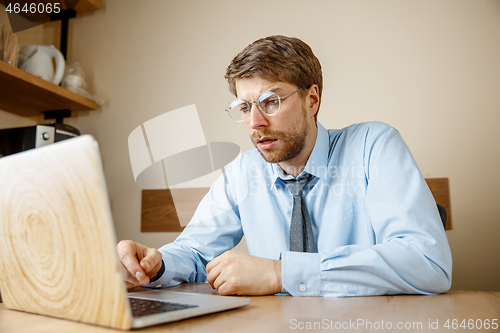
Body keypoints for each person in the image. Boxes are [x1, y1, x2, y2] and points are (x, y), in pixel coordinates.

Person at [118, 35, 452, 297]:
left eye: (271, 102)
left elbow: (427, 262)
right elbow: (193, 252)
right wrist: (156, 265)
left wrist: (281, 273)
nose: (255, 122)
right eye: (244, 107)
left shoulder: (373, 147)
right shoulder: (241, 173)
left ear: (312, 99)